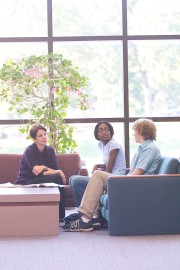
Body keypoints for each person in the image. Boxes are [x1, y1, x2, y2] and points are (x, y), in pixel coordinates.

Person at [62, 118, 162, 232]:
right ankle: (89, 217)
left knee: (98, 175)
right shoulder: (143, 148)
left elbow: (138, 173)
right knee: (96, 176)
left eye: (134, 130)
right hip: (132, 182)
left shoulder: (149, 149)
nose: (133, 134)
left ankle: (85, 219)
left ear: (140, 130)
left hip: (135, 184)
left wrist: (120, 181)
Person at [64, 121, 126, 226]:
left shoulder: (114, 145)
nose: (104, 132)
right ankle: (84, 214)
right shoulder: (102, 144)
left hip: (116, 178)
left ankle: (87, 215)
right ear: (97, 134)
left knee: (76, 180)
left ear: (111, 131)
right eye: (100, 130)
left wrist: (99, 171)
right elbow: (107, 164)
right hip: (109, 176)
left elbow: (109, 170)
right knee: (72, 178)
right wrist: (98, 165)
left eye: (106, 129)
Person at [15, 124, 66, 220]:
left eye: (45, 134)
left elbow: (53, 170)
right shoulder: (29, 151)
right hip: (26, 180)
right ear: (34, 139)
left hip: (39, 178)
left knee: (57, 176)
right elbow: (36, 172)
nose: (44, 137)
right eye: (40, 136)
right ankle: (60, 215)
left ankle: (60, 215)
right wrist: (53, 171)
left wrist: (44, 168)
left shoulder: (50, 150)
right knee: (57, 177)